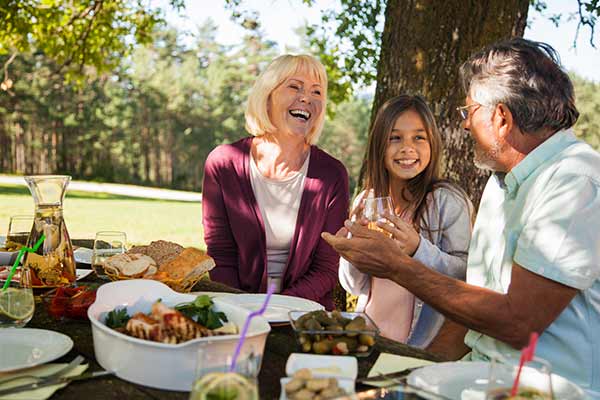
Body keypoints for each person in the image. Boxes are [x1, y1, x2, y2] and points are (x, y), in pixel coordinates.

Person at [323, 38, 600, 397]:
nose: (465, 125)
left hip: (549, 388)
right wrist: (412, 375)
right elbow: (470, 303)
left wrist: (398, 266)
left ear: (500, 117)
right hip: (479, 374)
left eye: (468, 111)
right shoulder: (501, 183)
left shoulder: (575, 182)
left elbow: (519, 323)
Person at [202, 54, 349, 309]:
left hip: (304, 313)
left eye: (317, 92)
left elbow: (327, 268)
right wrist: (242, 310)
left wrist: (276, 308)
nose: (307, 98)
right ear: (267, 96)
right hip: (238, 307)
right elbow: (221, 256)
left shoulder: (331, 174)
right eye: (294, 86)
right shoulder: (223, 163)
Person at [339, 94, 472, 347]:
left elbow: (465, 274)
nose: (407, 148)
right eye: (395, 138)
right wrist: (350, 251)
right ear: (379, 145)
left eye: (419, 138)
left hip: (420, 344)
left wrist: (417, 249)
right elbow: (353, 286)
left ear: (432, 143)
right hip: (370, 338)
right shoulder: (366, 201)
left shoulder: (446, 201)